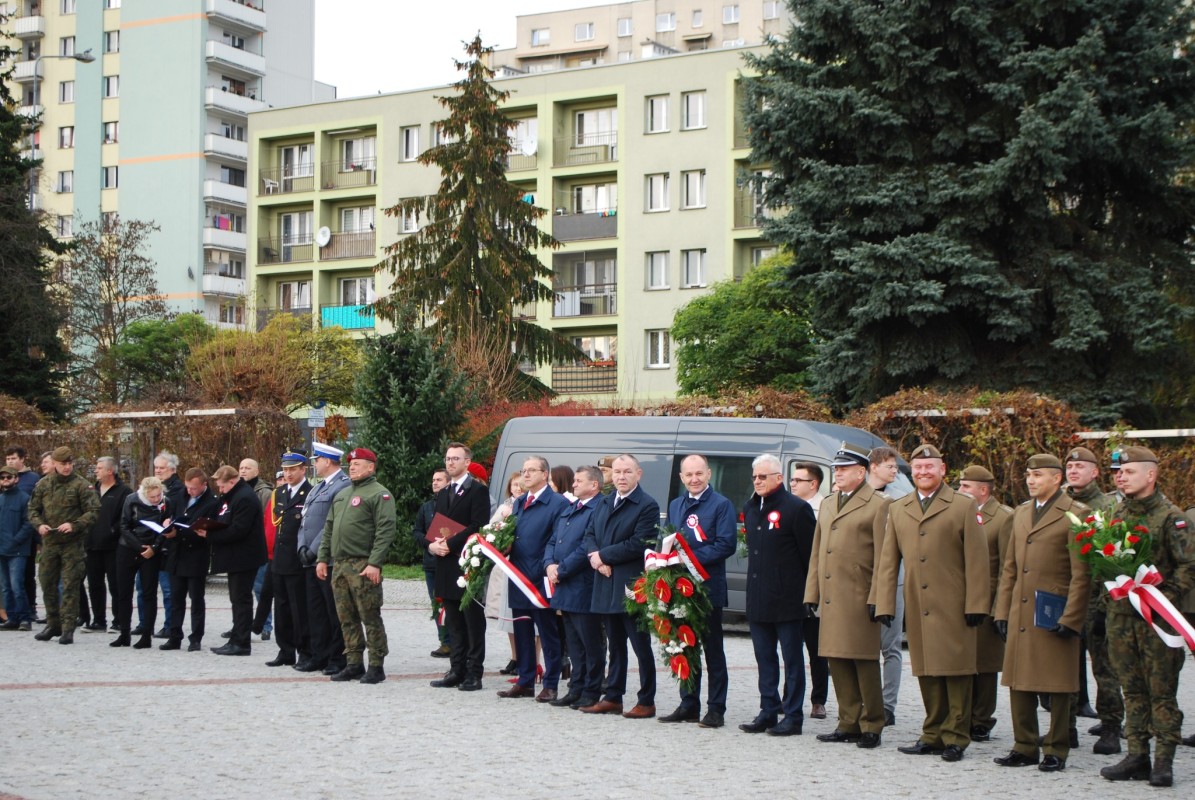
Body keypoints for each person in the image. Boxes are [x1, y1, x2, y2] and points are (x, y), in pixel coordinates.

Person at [874, 444, 990, 762]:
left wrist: (977, 604)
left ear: (943, 469)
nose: (924, 472)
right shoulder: (899, 508)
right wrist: (885, 603)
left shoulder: (963, 506)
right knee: (926, 671)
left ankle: (956, 736)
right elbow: (888, 561)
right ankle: (933, 733)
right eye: (918, 467)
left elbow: (978, 560)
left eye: (930, 466)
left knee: (956, 671)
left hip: (955, 602)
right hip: (918, 602)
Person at [1099, 447, 1195, 787]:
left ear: (1151, 475)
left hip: (1158, 620)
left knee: (1161, 691)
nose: (1120, 476)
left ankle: (1163, 761)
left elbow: (1188, 566)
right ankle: (1137, 754)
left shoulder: (1173, 517)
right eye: (1117, 472)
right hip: (1121, 617)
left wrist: (1161, 599)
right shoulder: (1114, 513)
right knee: (1133, 689)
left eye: (1128, 471)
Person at [991, 453, 1090, 772]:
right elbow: (1010, 568)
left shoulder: (1076, 514)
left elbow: (1082, 574)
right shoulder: (1020, 513)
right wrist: (1001, 611)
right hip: (1021, 609)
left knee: (1058, 682)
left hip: (1054, 611)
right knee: (1018, 680)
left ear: (1057, 479)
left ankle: (1056, 748)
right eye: (1029, 475)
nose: (1031, 480)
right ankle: (1024, 745)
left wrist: (1072, 618)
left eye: (1038, 476)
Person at [806, 442, 891, 748]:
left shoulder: (878, 504)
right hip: (831, 594)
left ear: (861, 472)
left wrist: (879, 598)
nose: (837, 474)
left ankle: (872, 723)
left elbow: (885, 556)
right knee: (836, 660)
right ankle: (848, 721)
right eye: (836, 469)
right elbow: (818, 550)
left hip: (859, 594)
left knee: (863, 661)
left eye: (843, 469)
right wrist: (811, 593)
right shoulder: (829, 503)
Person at [739, 453, 817, 737]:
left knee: (792, 660)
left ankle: (793, 715)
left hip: (788, 598)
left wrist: (810, 595)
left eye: (763, 476)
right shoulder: (750, 507)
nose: (758, 481)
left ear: (779, 478)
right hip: (759, 596)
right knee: (764, 658)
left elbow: (811, 557)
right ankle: (768, 710)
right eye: (755, 477)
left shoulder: (797, 508)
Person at [659, 454, 737, 729]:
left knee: (713, 650)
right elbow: (670, 538)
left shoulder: (721, 504)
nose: (694, 479)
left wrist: (689, 558)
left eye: (699, 474)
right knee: (684, 646)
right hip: (681, 590)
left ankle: (716, 708)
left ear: (708, 475)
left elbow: (725, 545)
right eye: (688, 475)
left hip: (707, 589)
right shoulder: (677, 504)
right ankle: (688, 703)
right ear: (681, 478)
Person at [580, 453, 659, 719]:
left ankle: (646, 700)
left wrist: (604, 556)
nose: (621, 477)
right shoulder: (604, 502)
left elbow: (640, 543)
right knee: (615, 643)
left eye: (627, 472)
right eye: (617, 472)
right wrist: (595, 557)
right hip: (604, 581)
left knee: (640, 645)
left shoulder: (647, 505)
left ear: (638, 474)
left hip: (630, 585)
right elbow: (590, 534)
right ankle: (613, 696)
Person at [316, 447, 396, 684]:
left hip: (363, 564)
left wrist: (375, 563)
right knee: (346, 616)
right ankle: (353, 662)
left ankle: (376, 664)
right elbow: (328, 528)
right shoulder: (342, 494)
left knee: (369, 615)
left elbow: (386, 530)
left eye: (358, 464)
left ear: (371, 467)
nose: (352, 467)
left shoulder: (379, 494)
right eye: (350, 464)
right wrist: (322, 558)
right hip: (339, 564)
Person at [1064, 446, 1123, 753]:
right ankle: (1067, 725)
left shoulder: (1107, 507)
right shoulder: (1062, 504)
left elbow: (1114, 558)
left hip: (1099, 599)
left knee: (1104, 666)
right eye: (1070, 466)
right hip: (1068, 597)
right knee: (1066, 665)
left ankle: (1112, 727)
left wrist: (1106, 604)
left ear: (1095, 472)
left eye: (1080, 466)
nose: (1073, 471)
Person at [498, 456, 570, 701]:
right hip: (518, 576)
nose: (525, 475)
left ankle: (550, 683)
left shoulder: (557, 503)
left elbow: (559, 539)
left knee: (548, 633)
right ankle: (525, 680)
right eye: (523, 470)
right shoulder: (519, 503)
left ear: (545, 474)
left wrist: (549, 567)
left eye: (531, 470)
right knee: (522, 631)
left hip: (541, 579)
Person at [957, 464, 1014, 743]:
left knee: (985, 663)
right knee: (963, 660)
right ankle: (962, 715)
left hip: (988, 599)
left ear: (983, 490)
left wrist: (999, 608)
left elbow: (1006, 566)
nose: (960, 490)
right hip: (960, 598)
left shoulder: (1003, 518)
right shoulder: (959, 512)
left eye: (966, 487)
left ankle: (981, 719)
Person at [428, 442, 491, 692]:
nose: (450, 462)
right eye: (447, 458)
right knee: (453, 621)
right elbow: (435, 525)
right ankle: (456, 669)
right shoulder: (443, 493)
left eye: (455, 458)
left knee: (472, 622)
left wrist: (450, 543)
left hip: (467, 563)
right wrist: (432, 545)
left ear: (467, 462)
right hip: (445, 562)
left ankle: (474, 672)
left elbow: (478, 524)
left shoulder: (477, 491)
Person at [544, 465, 603, 709]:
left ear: (594, 485)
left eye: (579, 481)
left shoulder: (598, 508)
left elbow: (586, 546)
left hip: (583, 584)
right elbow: (552, 540)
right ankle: (575, 687)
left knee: (590, 642)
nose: (574, 484)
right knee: (573, 641)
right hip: (564, 584)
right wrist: (549, 565)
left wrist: (562, 568)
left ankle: (591, 689)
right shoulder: (571, 508)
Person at [28, 446, 99, 645]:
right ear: (55, 464)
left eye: (69, 463)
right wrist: (39, 524)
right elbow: (32, 509)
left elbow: (93, 511)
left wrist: (74, 525)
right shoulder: (43, 484)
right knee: (47, 583)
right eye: (63, 464)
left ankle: (68, 628)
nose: (67, 467)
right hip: (50, 542)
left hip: (72, 544)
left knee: (70, 585)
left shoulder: (81, 485)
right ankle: (53, 624)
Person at [295, 442, 351, 675]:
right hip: (310, 558)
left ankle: (337, 658)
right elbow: (305, 520)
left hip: (327, 559)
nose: (314, 464)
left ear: (328, 461)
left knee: (332, 612)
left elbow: (332, 523)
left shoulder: (342, 486)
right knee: (315, 611)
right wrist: (302, 546)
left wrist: (315, 549)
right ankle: (319, 655)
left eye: (316, 460)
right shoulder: (318, 487)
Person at [202, 464, 267, 656]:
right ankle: (236, 638)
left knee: (241, 599)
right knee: (236, 599)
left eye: (222, 486)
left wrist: (210, 536)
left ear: (232, 481)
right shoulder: (231, 496)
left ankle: (241, 642)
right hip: (235, 557)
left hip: (245, 557)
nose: (220, 490)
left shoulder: (245, 497)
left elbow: (239, 530)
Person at [788, 460, 830, 720]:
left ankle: (818, 700)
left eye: (798, 480)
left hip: (815, 585)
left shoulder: (824, 508)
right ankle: (790, 696)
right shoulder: (789, 507)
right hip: (793, 585)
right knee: (791, 646)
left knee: (816, 649)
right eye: (791, 480)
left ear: (813, 484)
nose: (792, 484)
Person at [159, 468, 217, 651]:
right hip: (177, 553)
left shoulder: (212, 502)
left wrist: (181, 531)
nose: (190, 491)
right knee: (176, 598)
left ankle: (196, 637)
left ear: (204, 485)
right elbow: (170, 515)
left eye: (194, 488)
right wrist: (167, 524)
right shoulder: (179, 497)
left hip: (196, 555)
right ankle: (174, 635)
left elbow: (208, 529)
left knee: (196, 599)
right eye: (188, 487)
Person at [265, 450, 311, 668]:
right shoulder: (280, 492)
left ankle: (304, 651)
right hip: (280, 559)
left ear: (303, 469)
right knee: (281, 607)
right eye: (285, 469)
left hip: (297, 560)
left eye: (293, 469)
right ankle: (285, 650)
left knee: (299, 608)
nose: (289, 473)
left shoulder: (310, 493)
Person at [868, 444, 903, 727]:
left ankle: (887, 704)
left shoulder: (898, 500)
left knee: (890, 647)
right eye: (890, 466)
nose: (895, 471)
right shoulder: (857, 498)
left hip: (894, 580)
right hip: (862, 582)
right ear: (874, 466)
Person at [112, 476, 170, 649]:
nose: (155, 499)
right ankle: (124, 633)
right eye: (152, 497)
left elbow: (166, 528)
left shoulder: (166, 502)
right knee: (123, 592)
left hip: (152, 550)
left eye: (158, 495)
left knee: (148, 593)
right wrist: (139, 547)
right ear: (144, 493)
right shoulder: (131, 500)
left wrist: (154, 547)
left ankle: (146, 635)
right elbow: (124, 526)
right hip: (129, 547)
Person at [84, 457, 130, 633]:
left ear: (110, 471)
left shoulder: (123, 492)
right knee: (95, 584)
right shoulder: (91, 490)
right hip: (92, 545)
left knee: (115, 585)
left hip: (113, 547)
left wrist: (112, 531)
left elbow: (125, 518)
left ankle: (119, 620)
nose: (96, 470)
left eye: (99, 468)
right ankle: (98, 620)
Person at [145, 451, 185, 638]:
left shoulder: (178, 490)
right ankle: (146, 623)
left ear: (172, 469)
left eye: (162, 468)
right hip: (152, 542)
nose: (158, 471)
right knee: (145, 587)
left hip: (169, 543)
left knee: (168, 589)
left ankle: (170, 625)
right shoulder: (151, 487)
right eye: (156, 468)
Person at [411, 469, 451, 657]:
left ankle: (458, 642)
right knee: (437, 603)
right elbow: (417, 531)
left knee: (454, 603)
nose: (434, 483)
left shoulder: (453, 503)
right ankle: (444, 641)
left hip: (451, 560)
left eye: (439, 480)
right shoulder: (426, 507)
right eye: (433, 480)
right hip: (431, 562)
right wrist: (429, 545)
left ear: (448, 482)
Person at [240, 458, 274, 642]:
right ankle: (241, 625)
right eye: (241, 468)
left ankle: (265, 625)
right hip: (242, 549)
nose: (243, 471)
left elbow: (268, 522)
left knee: (261, 588)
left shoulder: (265, 493)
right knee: (241, 591)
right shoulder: (238, 489)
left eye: (247, 468)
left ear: (257, 470)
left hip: (259, 548)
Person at [0, 465, 35, 631]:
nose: (5, 480)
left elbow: (29, 524)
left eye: (9, 477)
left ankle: (25, 619)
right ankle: (12, 618)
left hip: (18, 550)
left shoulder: (24, 498)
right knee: (5, 587)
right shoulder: (0, 499)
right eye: (3, 477)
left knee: (17, 585)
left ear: (16, 479)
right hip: (1, 549)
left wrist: (15, 540)